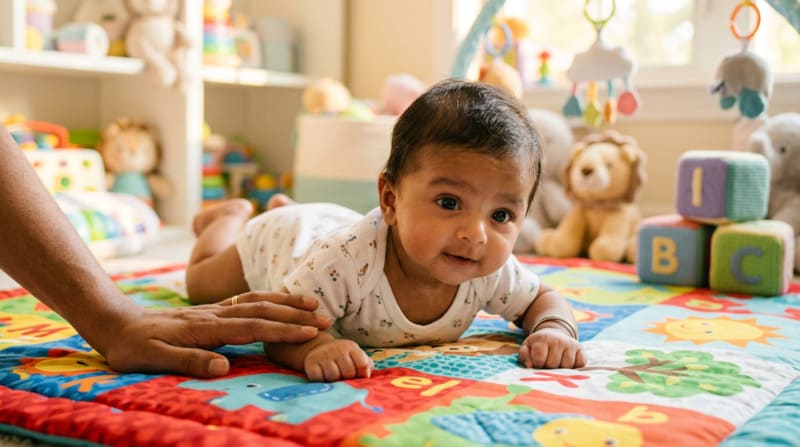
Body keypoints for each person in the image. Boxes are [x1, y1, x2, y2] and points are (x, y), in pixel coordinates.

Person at [186, 79, 586, 382]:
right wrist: (317, 348)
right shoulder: (342, 261)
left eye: (501, 215)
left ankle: (285, 205)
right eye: (449, 203)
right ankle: (229, 217)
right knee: (201, 284)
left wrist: (556, 328)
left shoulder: (487, 266)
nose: (476, 233)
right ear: (391, 200)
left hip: (332, 223)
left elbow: (543, 298)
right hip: (284, 240)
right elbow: (281, 328)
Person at [0, 123, 331, 378]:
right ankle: (236, 214)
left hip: (303, 223)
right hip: (302, 225)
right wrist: (109, 318)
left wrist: (110, 318)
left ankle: (273, 211)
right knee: (202, 282)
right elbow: (295, 323)